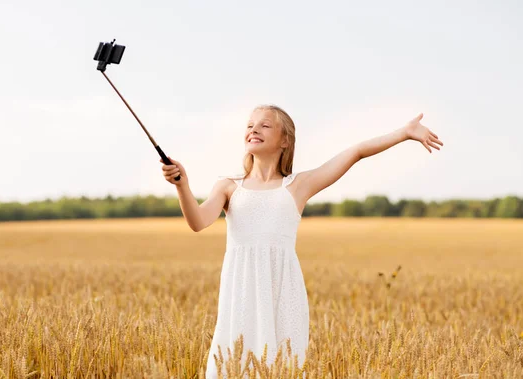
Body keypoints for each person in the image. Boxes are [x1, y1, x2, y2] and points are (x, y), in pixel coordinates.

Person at [160, 104, 443, 378]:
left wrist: (404, 132)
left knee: (282, 365)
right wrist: (182, 186)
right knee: (232, 364)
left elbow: (355, 152)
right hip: (241, 291)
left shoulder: (298, 186)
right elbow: (197, 221)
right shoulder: (229, 186)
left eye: (264, 125)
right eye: (249, 125)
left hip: (283, 292)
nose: (253, 129)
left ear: (285, 140)